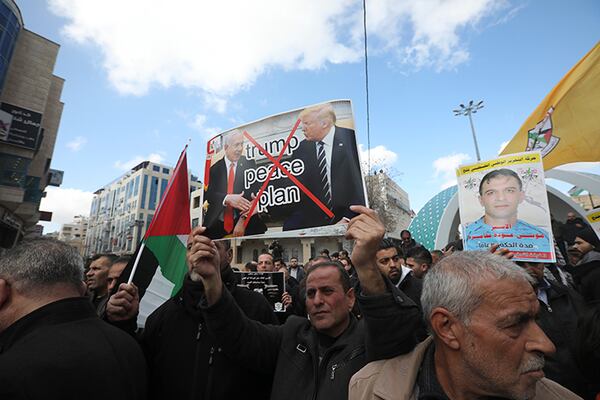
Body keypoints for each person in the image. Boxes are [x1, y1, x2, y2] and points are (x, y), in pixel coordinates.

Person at [188, 205, 421, 400]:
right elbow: (238, 334)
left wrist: (366, 264)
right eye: (310, 293)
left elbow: (395, 331)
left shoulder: (371, 341)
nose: (318, 300)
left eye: (328, 291)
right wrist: (212, 281)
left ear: (350, 298)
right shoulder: (291, 334)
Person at [349, 251, 581, 400]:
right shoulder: (368, 389)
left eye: (535, 320)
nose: (546, 345)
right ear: (447, 327)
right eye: (514, 324)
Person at [107, 239, 278, 400]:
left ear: (229, 255)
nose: (199, 254)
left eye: (210, 248)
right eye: (191, 248)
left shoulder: (256, 307)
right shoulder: (164, 314)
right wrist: (124, 324)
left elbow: (274, 369)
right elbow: (138, 371)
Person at [0, 239, 146, 400]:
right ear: (82, 287)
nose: (91, 273)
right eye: (89, 269)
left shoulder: (11, 370)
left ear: (2, 290)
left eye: (97, 269)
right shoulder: (127, 344)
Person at [518, 261, 596, 398]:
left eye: (534, 262)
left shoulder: (566, 293)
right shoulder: (503, 307)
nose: (528, 269)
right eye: (518, 264)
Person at [283, 103, 366, 230]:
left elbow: (358, 184)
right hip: (313, 225)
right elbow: (296, 188)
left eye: (307, 123)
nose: (303, 129)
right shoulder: (301, 148)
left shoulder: (350, 138)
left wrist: (347, 219)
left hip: (349, 220)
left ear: (324, 123)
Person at [463, 168, 552, 257]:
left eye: (509, 190)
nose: (501, 198)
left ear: (521, 196)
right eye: (491, 192)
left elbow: (557, 268)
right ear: (481, 200)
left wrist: (538, 270)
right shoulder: (465, 239)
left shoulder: (542, 237)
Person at [203, 130, 266, 239]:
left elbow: (257, 195)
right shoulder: (214, 169)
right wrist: (227, 198)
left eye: (242, 144)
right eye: (236, 145)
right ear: (226, 147)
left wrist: (244, 219)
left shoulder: (249, 164)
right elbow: (209, 195)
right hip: (216, 222)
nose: (240, 149)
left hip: (244, 220)